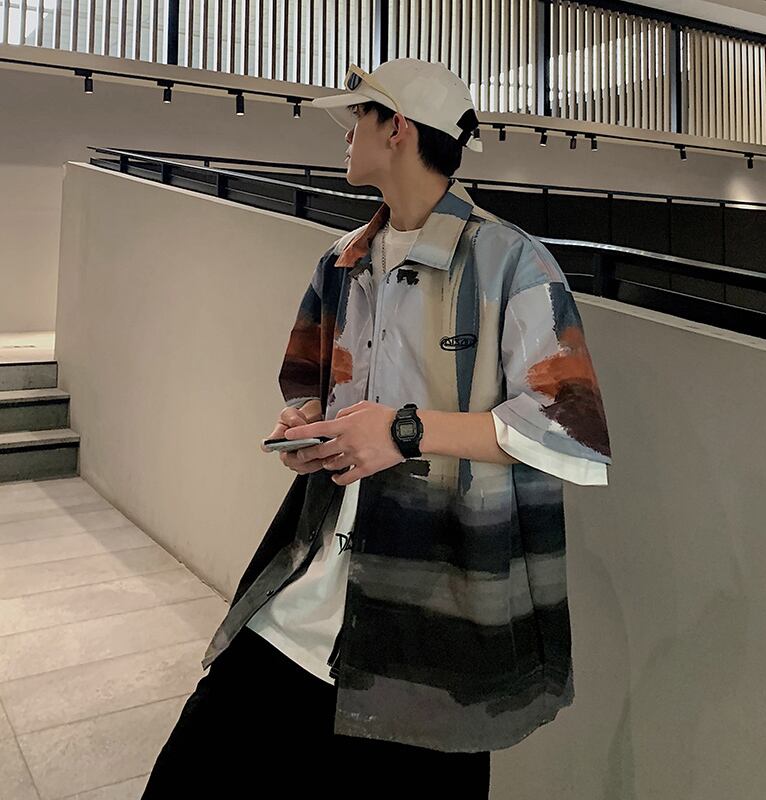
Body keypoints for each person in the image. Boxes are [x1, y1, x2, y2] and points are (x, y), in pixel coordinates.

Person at [142, 58, 611, 798]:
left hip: (434, 618)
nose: (346, 133)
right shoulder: (342, 262)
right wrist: (308, 429)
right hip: (308, 591)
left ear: (397, 130)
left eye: (358, 116)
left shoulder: (511, 262)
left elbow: (569, 428)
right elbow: (310, 386)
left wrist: (403, 431)